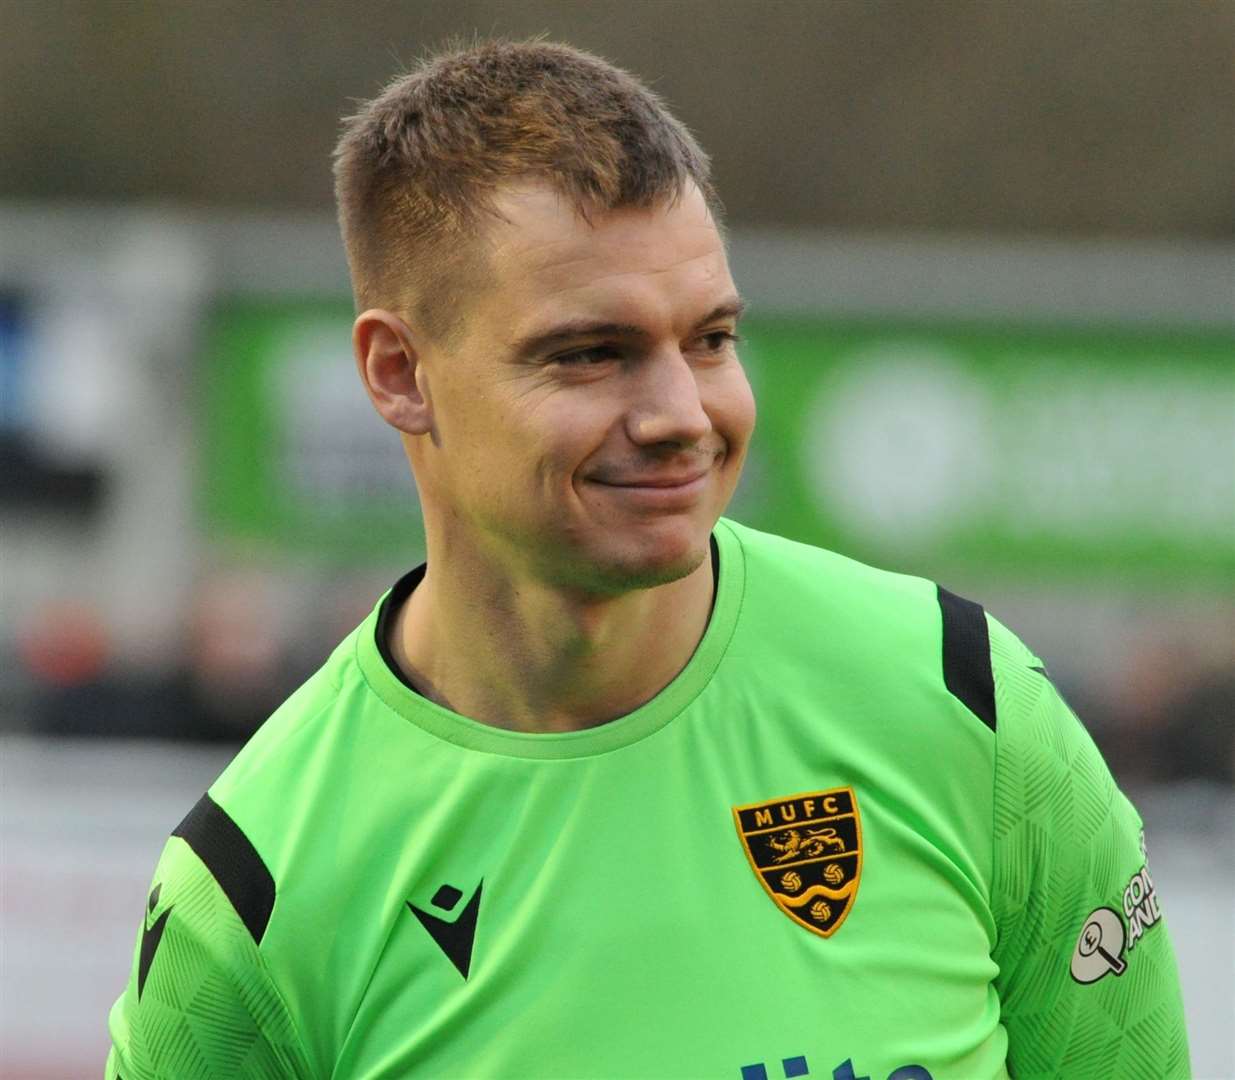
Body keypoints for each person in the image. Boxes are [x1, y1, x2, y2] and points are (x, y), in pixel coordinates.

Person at [106, 38, 1189, 1080]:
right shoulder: (252, 888)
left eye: (709, 339)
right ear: (399, 373)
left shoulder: (959, 698)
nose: (683, 414)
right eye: (590, 353)